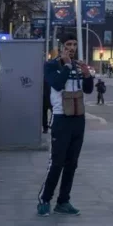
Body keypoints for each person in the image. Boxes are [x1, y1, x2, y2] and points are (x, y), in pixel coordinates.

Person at [37, 34, 93, 216]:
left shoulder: (78, 65)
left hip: (78, 118)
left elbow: (88, 90)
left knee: (72, 163)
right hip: (61, 118)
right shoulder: (51, 65)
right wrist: (67, 66)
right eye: (68, 44)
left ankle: (63, 200)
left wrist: (87, 75)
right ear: (61, 47)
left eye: (75, 45)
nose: (72, 48)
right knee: (57, 162)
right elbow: (57, 84)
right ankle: (45, 199)